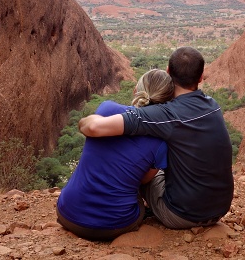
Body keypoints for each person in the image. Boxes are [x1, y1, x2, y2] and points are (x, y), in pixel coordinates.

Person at [79, 47, 234, 229]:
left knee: (143, 169)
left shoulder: (165, 114)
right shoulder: (213, 105)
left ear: (168, 72)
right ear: (201, 78)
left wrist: (87, 119)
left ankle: (118, 208)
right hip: (220, 209)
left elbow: (93, 128)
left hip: (182, 215)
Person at [56, 69, 174, 240]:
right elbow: (143, 181)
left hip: (68, 214)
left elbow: (89, 128)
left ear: (136, 91)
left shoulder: (107, 109)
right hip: (113, 225)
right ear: (168, 103)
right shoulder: (161, 142)